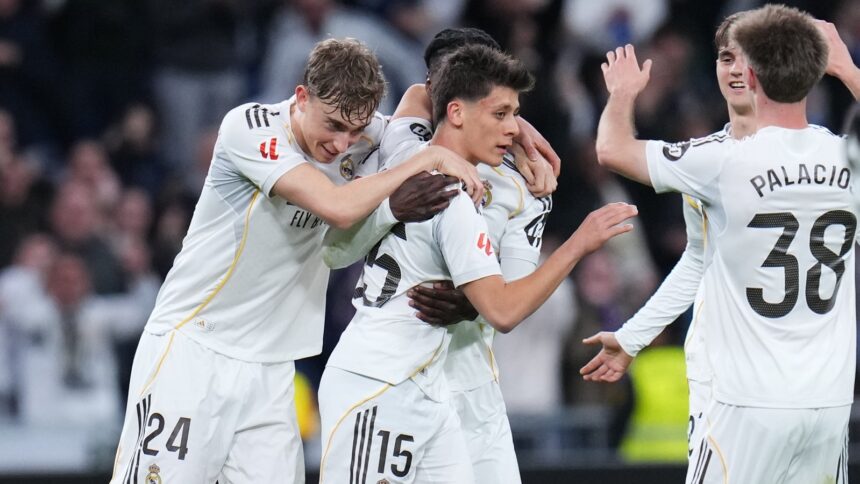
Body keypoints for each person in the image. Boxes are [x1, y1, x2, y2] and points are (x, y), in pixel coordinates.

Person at [109, 38, 484, 484]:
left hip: (272, 369)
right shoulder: (249, 130)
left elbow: (423, 97)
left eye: (355, 129)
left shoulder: (361, 134)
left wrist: (519, 134)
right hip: (193, 349)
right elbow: (336, 207)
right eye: (333, 125)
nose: (342, 142)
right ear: (302, 97)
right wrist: (424, 159)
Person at [317, 44, 637, 483]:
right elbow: (504, 310)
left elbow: (419, 98)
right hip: (380, 380)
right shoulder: (456, 197)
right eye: (500, 114)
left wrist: (474, 298)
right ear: (456, 111)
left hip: (432, 383)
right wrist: (579, 243)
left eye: (514, 115)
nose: (511, 129)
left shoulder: (407, 148)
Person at [589, 5, 855, 482]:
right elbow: (700, 258)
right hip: (828, 399)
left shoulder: (718, 162)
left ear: (754, 76)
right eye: (723, 57)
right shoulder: (843, 154)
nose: (732, 69)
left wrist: (622, 94)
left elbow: (611, 150)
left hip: (743, 402)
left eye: (740, 59)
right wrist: (846, 68)